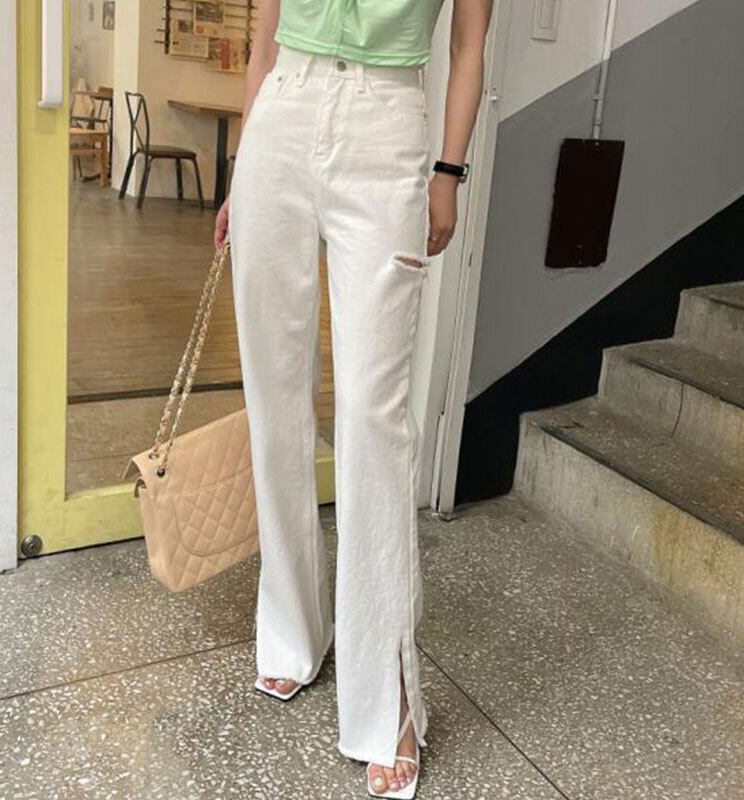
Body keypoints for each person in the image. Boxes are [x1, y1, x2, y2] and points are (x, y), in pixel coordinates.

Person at [214, 1, 493, 796]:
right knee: (275, 396)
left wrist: (448, 172)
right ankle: (291, 630)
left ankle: (386, 696)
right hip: (281, 119)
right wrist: (242, 168)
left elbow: (469, 44)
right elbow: (266, 37)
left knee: (374, 418)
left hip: (385, 126)